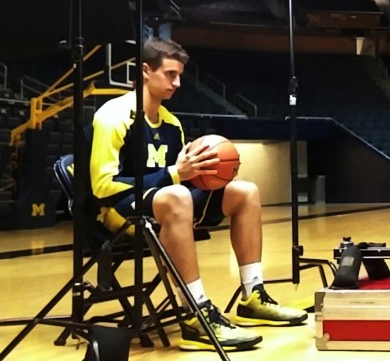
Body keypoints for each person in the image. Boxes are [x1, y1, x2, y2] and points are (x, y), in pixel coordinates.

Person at [90, 38, 307, 352]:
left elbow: (183, 179)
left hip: (165, 202)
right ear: (146, 71)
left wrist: (213, 175)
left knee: (245, 191)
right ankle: (196, 314)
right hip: (118, 209)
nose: (177, 83)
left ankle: (253, 295)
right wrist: (176, 175)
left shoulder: (172, 123)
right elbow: (102, 186)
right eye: (169, 74)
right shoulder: (113, 116)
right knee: (177, 195)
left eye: (179, 75)